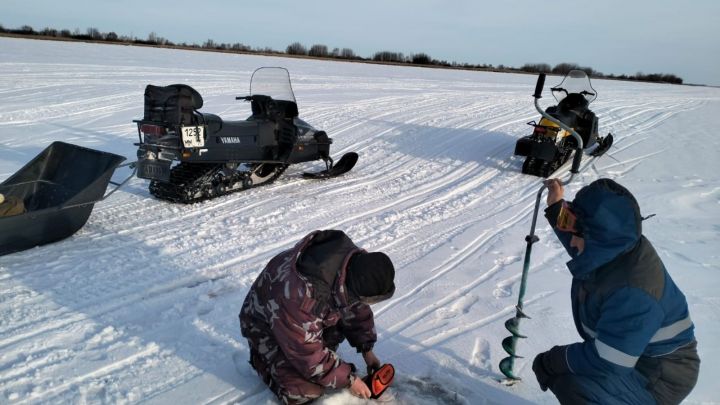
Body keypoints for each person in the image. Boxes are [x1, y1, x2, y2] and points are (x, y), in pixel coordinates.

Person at [532, 178, 700, 404]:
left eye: (578, 233)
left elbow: (608, 360)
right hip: (635, 355)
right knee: (569, 372)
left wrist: (553, 360)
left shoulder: (633, 291)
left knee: (572, 382)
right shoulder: (615, 245)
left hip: (659, 376)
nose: (571, 240)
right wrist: (556, 208)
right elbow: (580, 232)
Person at [239, 229, 396, 404]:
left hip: (299, 320)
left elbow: (356, 307)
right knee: (304, 391)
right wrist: (350, 380)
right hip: (267, 328)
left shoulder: (354, 266)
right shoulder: (300, 297)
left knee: (325, 359)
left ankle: (322, 363)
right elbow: (308, 355)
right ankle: (263, 360)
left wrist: (367, 349)